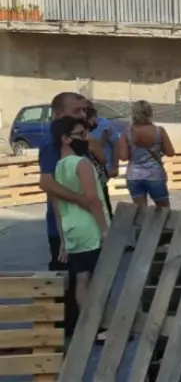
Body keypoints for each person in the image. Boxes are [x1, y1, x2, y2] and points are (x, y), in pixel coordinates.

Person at [50, 116, 111, 341]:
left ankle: (90, 327)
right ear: (65, 138)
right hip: (90, 227)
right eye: (81, 134)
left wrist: (63, 240)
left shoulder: (58, 167)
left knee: (82, 279)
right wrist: (104, 229)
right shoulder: (81, 163)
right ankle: (101, 326)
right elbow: (92, 198)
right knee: (99, 279)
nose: (86, 138)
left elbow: (57, 206)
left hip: (73, 230)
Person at [38, 92, 90, 338]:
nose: (83, 115)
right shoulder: (53, 145)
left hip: (82, 224)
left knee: (84, 276)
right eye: (77, 110)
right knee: (68, 278)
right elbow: (47, 183)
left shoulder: (80, 140)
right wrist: (83, 201)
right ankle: (67, 331)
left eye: (84, 110)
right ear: (59, 115)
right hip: (64, 225)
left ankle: (81, 326)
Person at [118, 101, 176, 208]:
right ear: (150, 113)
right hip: (155, 175)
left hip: (134, 176)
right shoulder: (159, 131)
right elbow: (170, 152)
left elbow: (123, 157)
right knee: (163, 209)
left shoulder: (127, 132)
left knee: (140, 210)